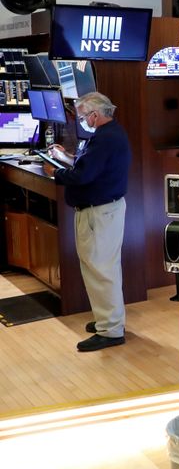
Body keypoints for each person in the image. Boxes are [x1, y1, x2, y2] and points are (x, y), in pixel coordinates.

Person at [42, 92, 132, 352]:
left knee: (101, 270)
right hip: (103, 211)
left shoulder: (105, 139)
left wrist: (55, 172)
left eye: (82, 116)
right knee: (102, 268)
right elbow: (87, 167)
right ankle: (108, 320)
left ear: (95, 114)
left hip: (99, 213)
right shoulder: (108, 135)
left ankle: (111, 330)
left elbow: (83, 177)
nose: (81, 121)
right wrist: (65, 158)